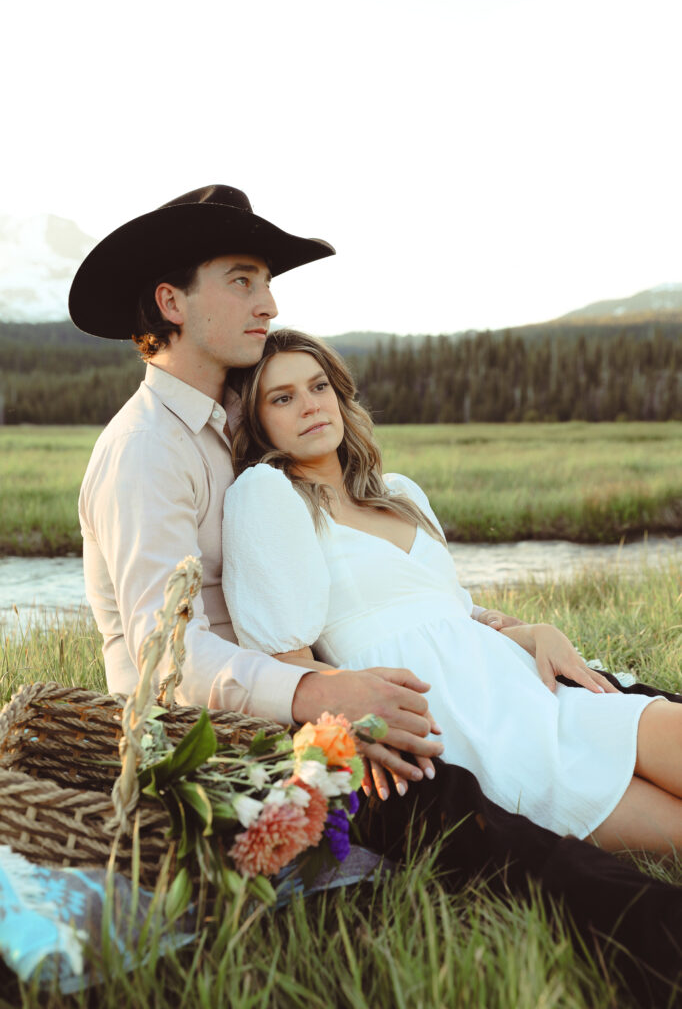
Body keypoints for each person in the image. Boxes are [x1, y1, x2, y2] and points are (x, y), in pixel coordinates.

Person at [222, 327, 682, 855]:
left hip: (526, 687)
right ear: (258, 421)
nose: (309, 406)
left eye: (319, 386)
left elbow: (451, 610)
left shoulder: (399, 493)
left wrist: (530, 630)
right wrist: (362, 720)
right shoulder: (267, 495)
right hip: (467, 726)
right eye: (283, 398)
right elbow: (288, 662)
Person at [70, 184, 457, 785]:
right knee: (473, 808)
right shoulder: (146, 450)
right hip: (206, 747)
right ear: (172, 303)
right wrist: (322, 696)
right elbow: (166, 656)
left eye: (268, 284)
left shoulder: (239, 428)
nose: (270, 306)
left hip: (299, 701)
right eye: (243, 282)